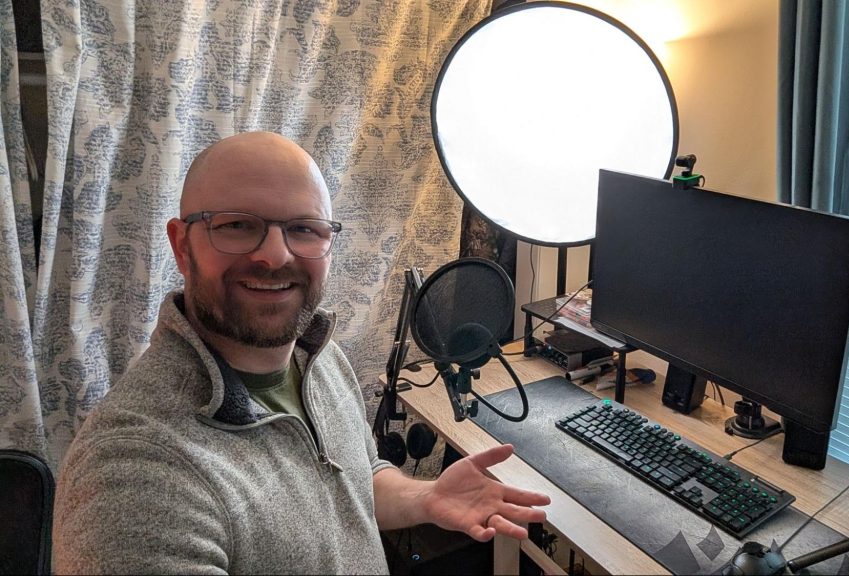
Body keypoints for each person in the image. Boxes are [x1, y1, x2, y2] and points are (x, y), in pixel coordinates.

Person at [52, 132, 550, 574]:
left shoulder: (317, 356)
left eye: (303, 229)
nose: (275, 255)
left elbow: (356, 478)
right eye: (237, 225)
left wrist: (426, 496)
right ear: (182, 246)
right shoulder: (136, 474)